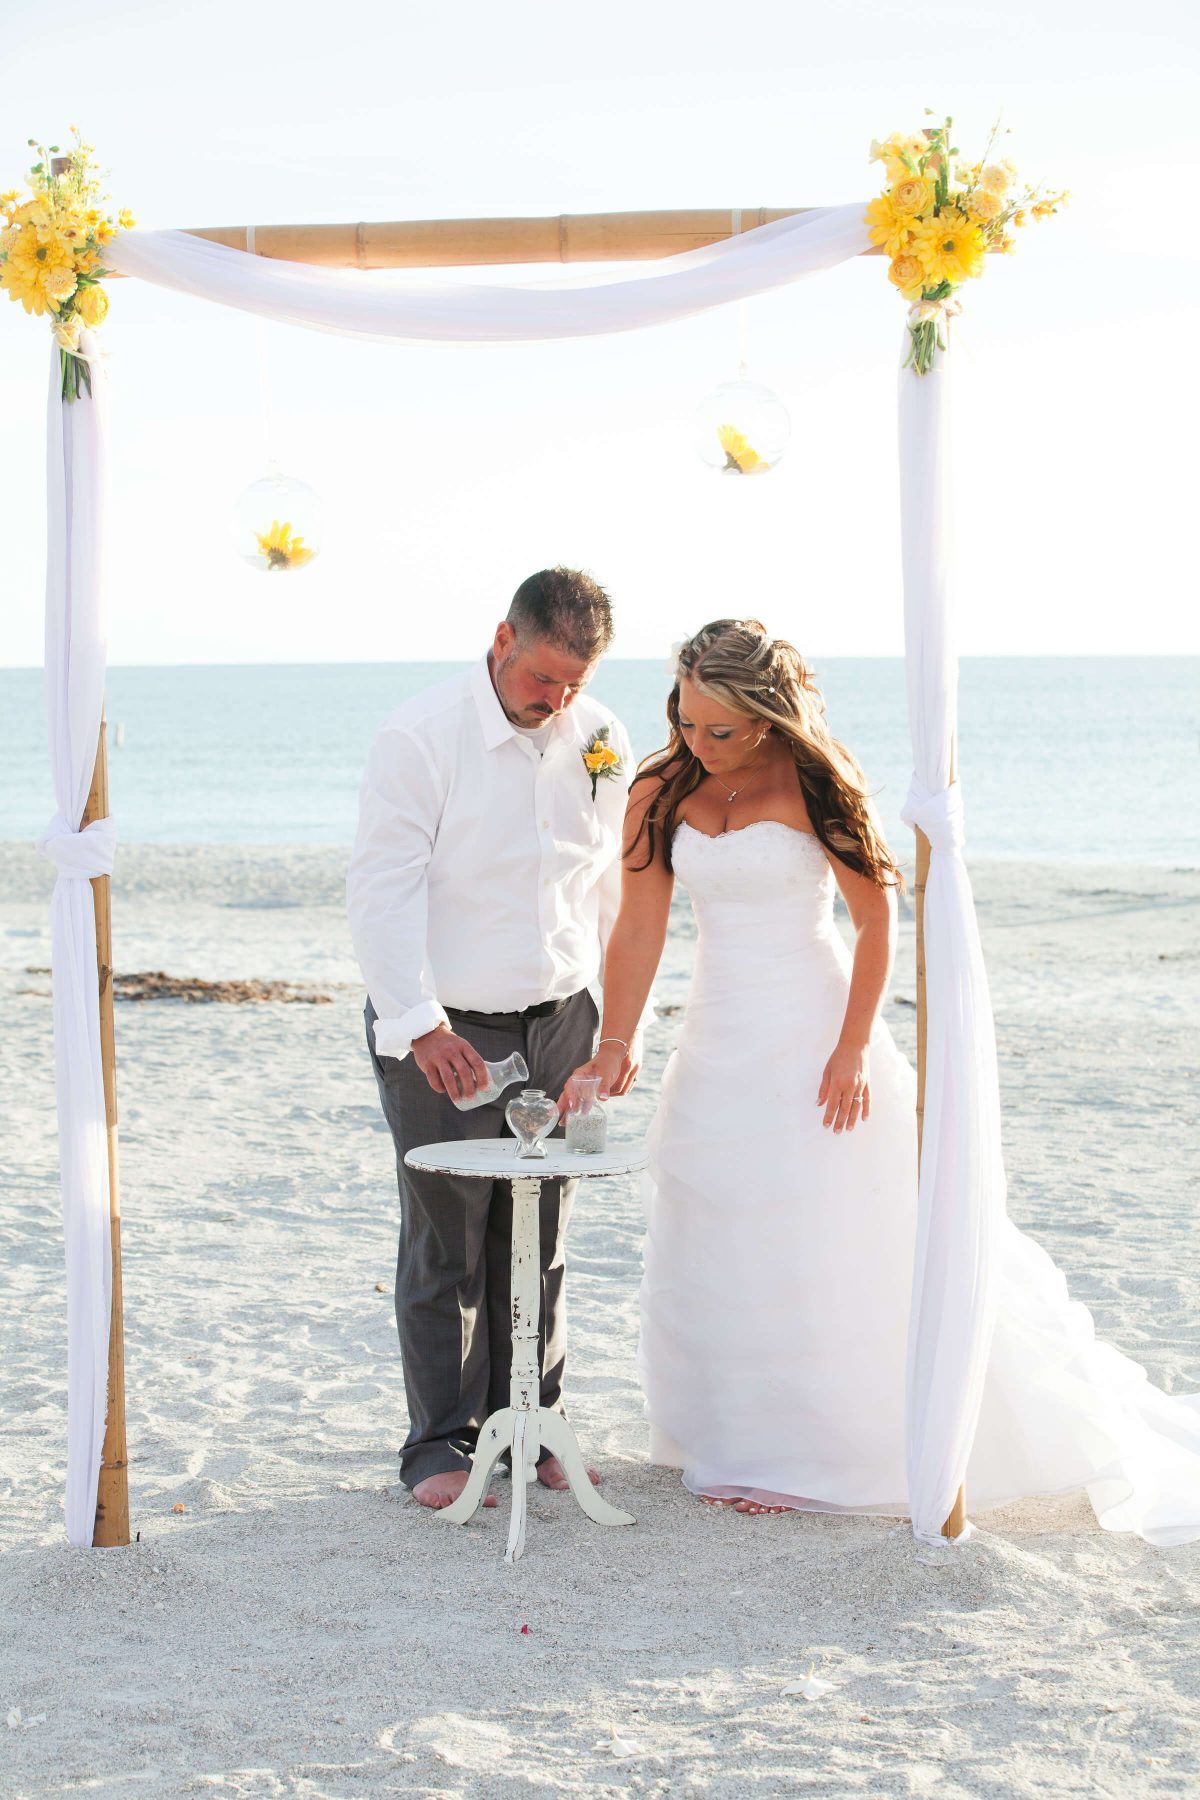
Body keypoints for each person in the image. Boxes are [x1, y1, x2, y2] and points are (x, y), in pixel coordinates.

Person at [561, 618, 1200, 1544]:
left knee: (825, 1225)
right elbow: (637, 929)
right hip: (718, 1034)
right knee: (721, 1224)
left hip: (816, 1030)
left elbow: (876, 921)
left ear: (770, 718)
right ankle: (736, 1443)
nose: (698, 743)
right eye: (686, 720)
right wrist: (616, 1039)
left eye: (720, 730)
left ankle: (818, 1452)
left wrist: (854, 1045)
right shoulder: (660, 787)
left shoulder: (817, 781)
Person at [348, 567, 644, 1511]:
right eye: (543, 677)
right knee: (448, 1243)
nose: (556, 700)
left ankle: (532, 1421)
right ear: (501, 641)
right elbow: (382, 887)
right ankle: (439, 1442)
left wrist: (613, 1027)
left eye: (573, 681)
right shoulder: (419, 735)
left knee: (542, 1232)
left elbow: (610, 888)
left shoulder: (600, 738)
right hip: (445, 1025)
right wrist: (419, 1024)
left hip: (562, 1021)